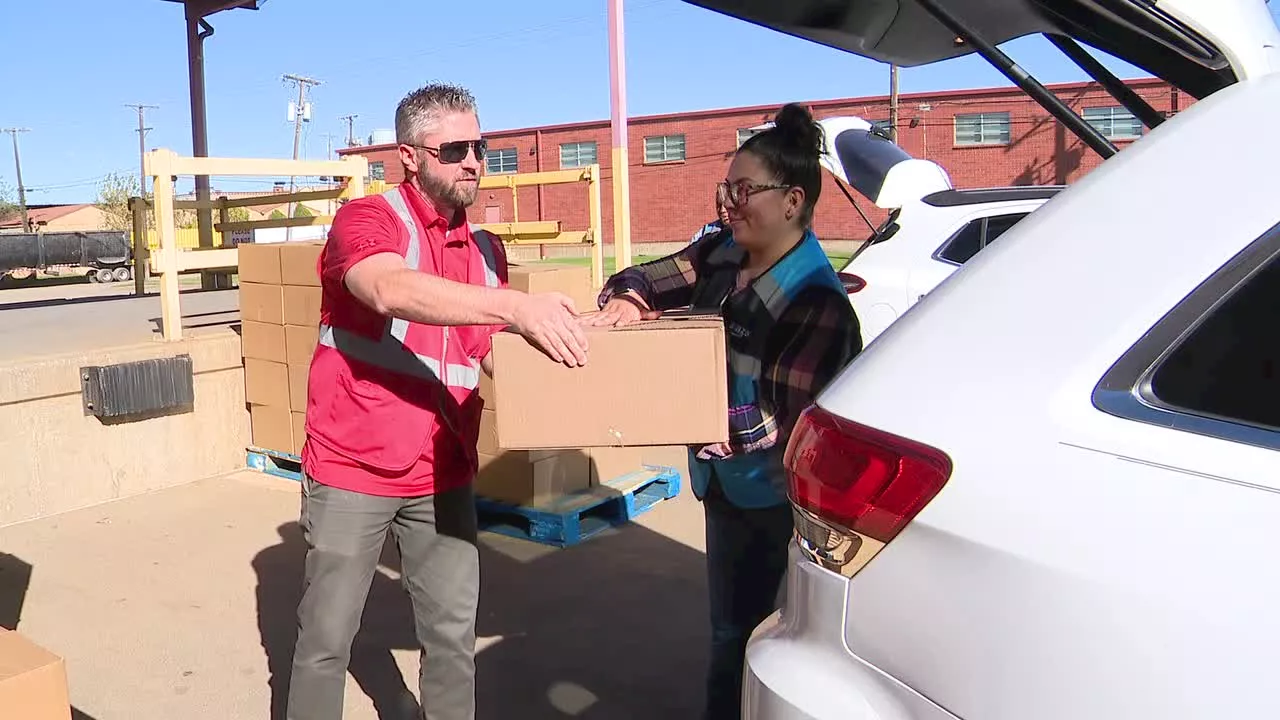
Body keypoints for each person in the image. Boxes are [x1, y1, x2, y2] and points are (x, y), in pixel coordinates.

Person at [287, 82, 590, 720]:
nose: (473, 161)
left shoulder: (485, 250)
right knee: (325, 642)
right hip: (354, 469)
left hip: (444, 472)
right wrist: (513, 307)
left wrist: (591, 340)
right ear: (410, 156)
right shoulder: (367, 221)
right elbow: (389, 288)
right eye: (455, 149)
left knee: (452, 640)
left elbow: (485, 348)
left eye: (479, 145)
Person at [588, 103, 862, 720]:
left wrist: (669, 405)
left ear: (793, 201)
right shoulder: (723, 256)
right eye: (725, 189)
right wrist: (631, 298)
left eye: (744, 191)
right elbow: (652, 275)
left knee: (750, 639)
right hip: (724, 487)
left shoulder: (816, 302)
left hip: (772, 504)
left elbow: (778, 422)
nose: (727, 204)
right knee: (729, 627)